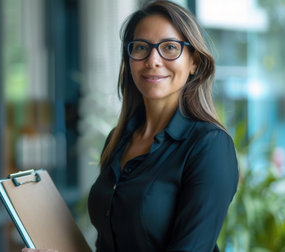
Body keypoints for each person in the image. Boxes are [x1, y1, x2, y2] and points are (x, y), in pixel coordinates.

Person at [23, 0, 239, 251]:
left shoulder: (209, 146)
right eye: (140, 47)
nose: (153, 60)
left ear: (194, 62)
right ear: (129, 59)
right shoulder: (119, 139)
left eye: (170, 47)